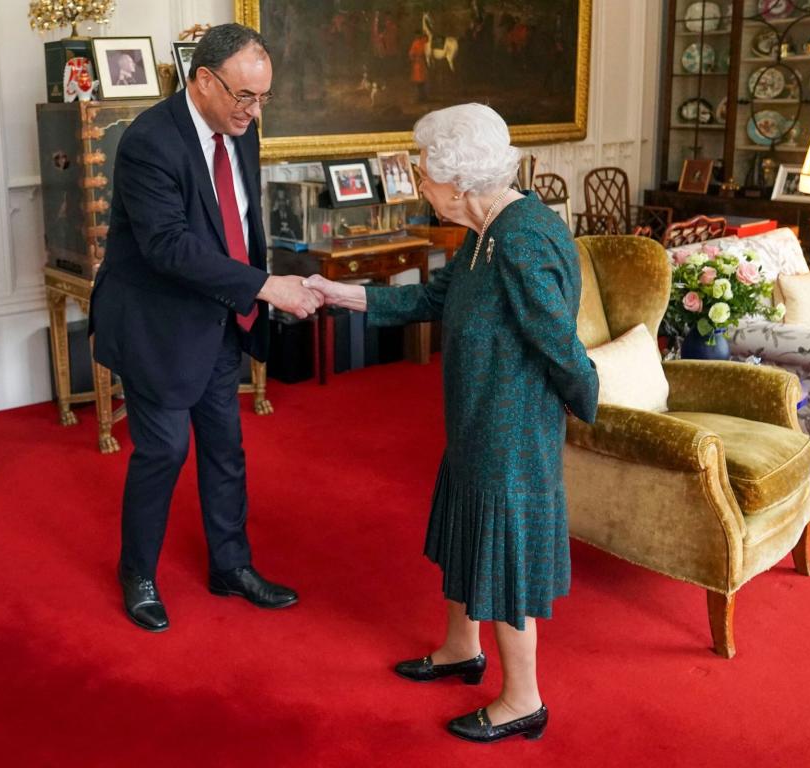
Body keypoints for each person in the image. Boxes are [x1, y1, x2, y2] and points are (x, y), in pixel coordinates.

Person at [305, 103, 598, 744]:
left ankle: (524, 700)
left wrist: (589, 402)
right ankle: (460, 648)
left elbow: (559, 343)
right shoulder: (484, 232)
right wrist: (339, 292)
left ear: (458, 181)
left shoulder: (522, 239)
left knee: (507, 554)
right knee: (469, 529)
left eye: (423, 169)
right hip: (478, 418)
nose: (416, 178)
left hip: (512, 429)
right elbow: (431, 299)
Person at [89, 24, 322, 633]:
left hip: (220, 316)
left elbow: (240, 221)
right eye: (244, 96)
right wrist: (265, 287)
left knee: (225, 449)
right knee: (164, 450)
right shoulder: (148, 142)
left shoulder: (242, 129)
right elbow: (169, 246)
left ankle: (230, 566)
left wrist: (252, 290)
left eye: (263, 97)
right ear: (203, 80)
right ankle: (137, 573)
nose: (255, 109)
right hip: (158, 323)